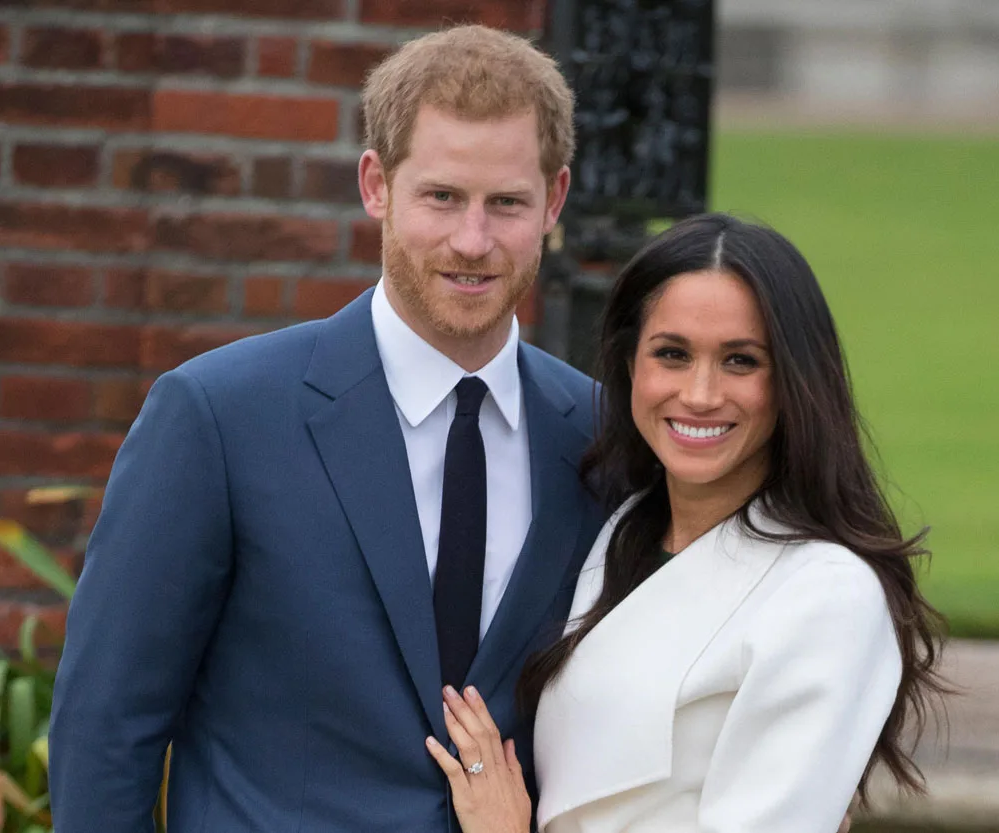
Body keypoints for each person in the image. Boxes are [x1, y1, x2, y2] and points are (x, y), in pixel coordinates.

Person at [48, 25, 608, 832]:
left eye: (507, 203)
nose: (473, 241)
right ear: (376, 184)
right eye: (442, 196)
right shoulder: (218, 416)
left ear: (553, 200)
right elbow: (107, 725)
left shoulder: (597, 437)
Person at [426, 213, 946, 833]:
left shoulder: (828, 595)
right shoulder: (616, 530)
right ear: (629, 365)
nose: (700, 394)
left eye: (740, 361)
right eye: (672, 354)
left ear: (793, 383)